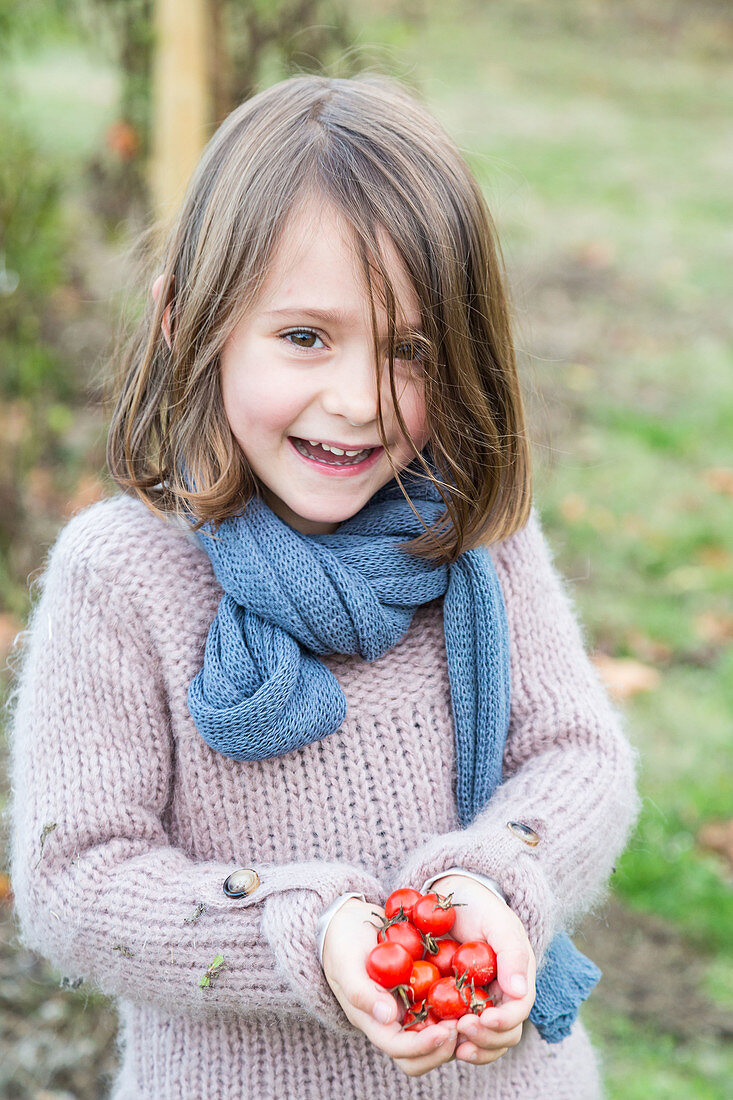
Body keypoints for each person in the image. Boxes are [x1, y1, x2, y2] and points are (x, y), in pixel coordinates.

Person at [7, 74, 639, 1099]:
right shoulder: (124, 578)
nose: (355, 401)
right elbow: (77, 876)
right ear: (190, 324)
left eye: (411, 349)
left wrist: (491, 875)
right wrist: (302, 925)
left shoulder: (475, 540)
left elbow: (577, 756)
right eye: (304, 336)